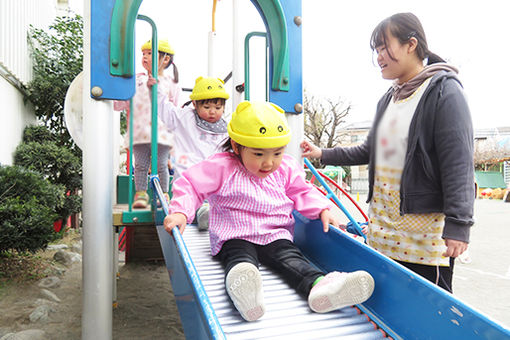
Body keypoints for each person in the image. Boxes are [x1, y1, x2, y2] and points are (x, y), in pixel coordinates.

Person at [301, 13, 474, 293]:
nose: (379, 56)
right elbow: (370, 151)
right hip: (382, 229)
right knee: (386, 301)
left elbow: (458, 163)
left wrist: (459, 226)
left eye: (384, 47)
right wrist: (321, 152)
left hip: (423, 236)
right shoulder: (390, 98)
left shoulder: (444, 91)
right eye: (376, 50)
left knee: (424, 309)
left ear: (411, 45)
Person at [164, 101, 375, 322]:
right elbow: (191, 185)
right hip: (235, 233)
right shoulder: (222, 167)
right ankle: (245, 291)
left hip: (275, 234)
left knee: (292, 259)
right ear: (237, 147)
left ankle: (320, 286)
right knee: (240, 259)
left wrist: (322, 208)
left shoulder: (285, 167)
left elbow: (302, 190)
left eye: (277, 153)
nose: (269, 163)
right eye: (258, 154)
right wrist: (180, 212)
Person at [116, 39, 181, 209]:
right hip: (140, 130)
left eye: (150, 53)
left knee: (161, 164)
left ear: (165, 59)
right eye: (143, 54)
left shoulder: (171, 83)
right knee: (141, 164)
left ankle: (164, 193)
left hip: (162, 131)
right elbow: (123, 101)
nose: (144, 57)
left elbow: (175, 110)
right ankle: (141, 193)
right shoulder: (136, 80)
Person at [158, 76, 230, 230]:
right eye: (207, 107)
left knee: (222, 195)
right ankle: (204, 215)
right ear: (195, 104)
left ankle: (214, 214)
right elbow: (163, 108)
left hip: (215, 182)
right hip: (189, 177)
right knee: (190, 199)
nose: (212, 112)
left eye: (218, 108)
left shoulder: (226, 128)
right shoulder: (184, 117)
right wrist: (155, 86)